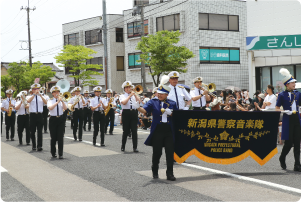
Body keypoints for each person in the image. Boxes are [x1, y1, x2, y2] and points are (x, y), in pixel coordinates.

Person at [135, 75, 177, 181]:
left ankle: (170, 173)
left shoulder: (172, 103)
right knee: (157, 152)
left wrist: (171, 113)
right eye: (159, 93)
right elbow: (145, 111)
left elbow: (177, 116)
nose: (159, 95)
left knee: (169, 152)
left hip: (168, 130)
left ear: (167, 94)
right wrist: (138, 107)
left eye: (162, 94)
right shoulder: (153, 102)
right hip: (158, 130)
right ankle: (155, 170)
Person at [276, 68, 301, 172]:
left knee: (297, 142)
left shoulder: (298, 93)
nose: (294, 84)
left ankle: (297, 165)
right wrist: (285, 111)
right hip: (287, 118)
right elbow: (277, 108)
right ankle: (282, 157)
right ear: (287, 84)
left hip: (297, 118)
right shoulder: (281, 95)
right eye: (292, 83)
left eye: (294, 82)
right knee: (289, 143)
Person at [119, 81, 141, 152]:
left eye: (130, 87)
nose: (129, 88)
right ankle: (123, 146)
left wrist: (134, 95)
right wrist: (130, 96)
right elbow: (124, 103)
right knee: (126, 131)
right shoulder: (122, 96)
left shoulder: (134, 95)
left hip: (134, 113)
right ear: (124, 89)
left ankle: (135, 147)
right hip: (126, 113)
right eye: (127, 87)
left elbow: (139, 101)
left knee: (134, 131)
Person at [47, 86, 67, 159]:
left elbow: (65, 108)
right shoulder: (50, 100)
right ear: (52, 93)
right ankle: (53, 153)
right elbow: (50, 108)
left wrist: (61, 101)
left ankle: (60, 153)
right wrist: (57, 102)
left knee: (60, 137)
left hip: (61, 119)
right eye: (55, 92)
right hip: (53, 119)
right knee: (53, 137)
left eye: (57, 92)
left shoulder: (62, 100)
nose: (56, 93)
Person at [27, 83, 48, 151]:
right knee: (32, 131)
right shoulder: (29, 96)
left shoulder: (42, 96)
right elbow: (28, 101)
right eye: (35, 89)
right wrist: (34, 95)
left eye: (37, 89)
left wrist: (40, 96)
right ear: (32, 90)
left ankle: (39, 146)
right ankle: (34, 145)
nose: (36, 90)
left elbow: (46, 103)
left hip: (40, 115)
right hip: (32, 115)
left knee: (39, 131)